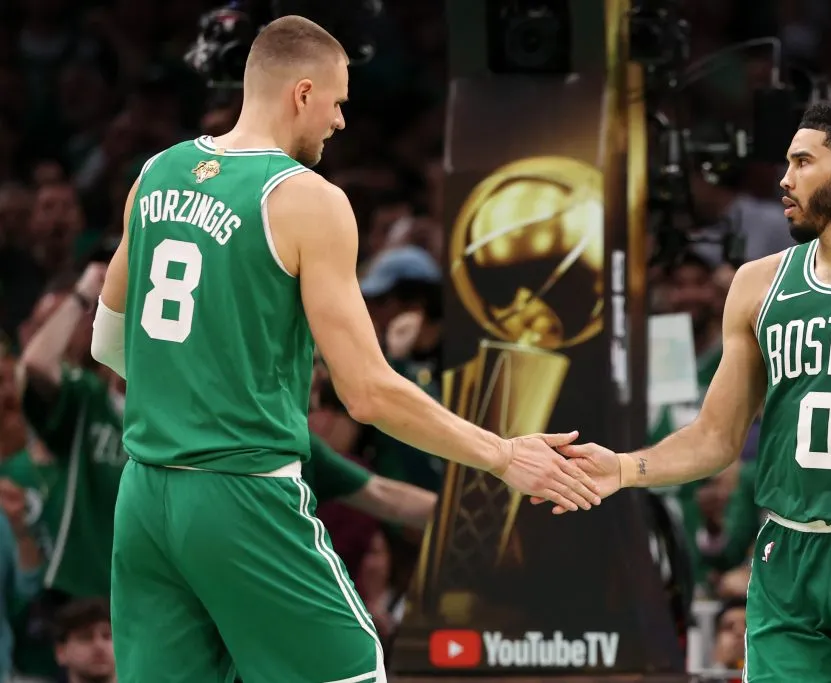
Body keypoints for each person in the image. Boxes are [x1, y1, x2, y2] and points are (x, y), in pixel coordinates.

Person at [89, 15, 601, 683]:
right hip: (240, 493)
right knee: (355, 671)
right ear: (302, 93)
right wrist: (502, 454)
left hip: (145, 495)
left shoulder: (156, 174)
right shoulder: (305, 198)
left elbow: (107, 339)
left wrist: (189, 396)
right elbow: (367, 392)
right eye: (337, 104)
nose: (339, 122)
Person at [554, 96, 831, 682]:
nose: (785, 179)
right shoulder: (759, 284)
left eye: (803, 163)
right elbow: (716, 437)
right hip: (785, 556)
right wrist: (624, 469)